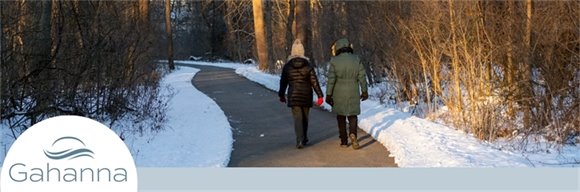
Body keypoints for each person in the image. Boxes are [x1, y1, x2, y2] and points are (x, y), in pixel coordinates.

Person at [278, 39, 324, 149]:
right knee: (305, 118)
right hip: (306, 95)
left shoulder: (288, 66)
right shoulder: (308, 65)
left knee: (297, 118)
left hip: (293, 95)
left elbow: (283, 82)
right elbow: (314, 81)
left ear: (292, 52)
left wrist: (281, 94)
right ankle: (304, 137)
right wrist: (320, 95)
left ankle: (300, 139)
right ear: (303, 52)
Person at [325, 38, 368, 150]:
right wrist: (364, 91)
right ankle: (353, 134)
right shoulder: (356, 59)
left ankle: (344, 141)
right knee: (352, 115)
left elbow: (331, 79)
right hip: (353, 90)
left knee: (341, 116)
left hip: (338, 91)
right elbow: (362, 76)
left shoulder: (334, 61)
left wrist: (328, 94)